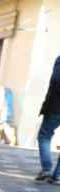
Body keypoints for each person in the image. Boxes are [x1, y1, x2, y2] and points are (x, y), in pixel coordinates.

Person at [36, 55, 60, 184]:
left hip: (56, 106)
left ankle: (47, 168)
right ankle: (58, 176)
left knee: (44, 136)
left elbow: (57, 80)